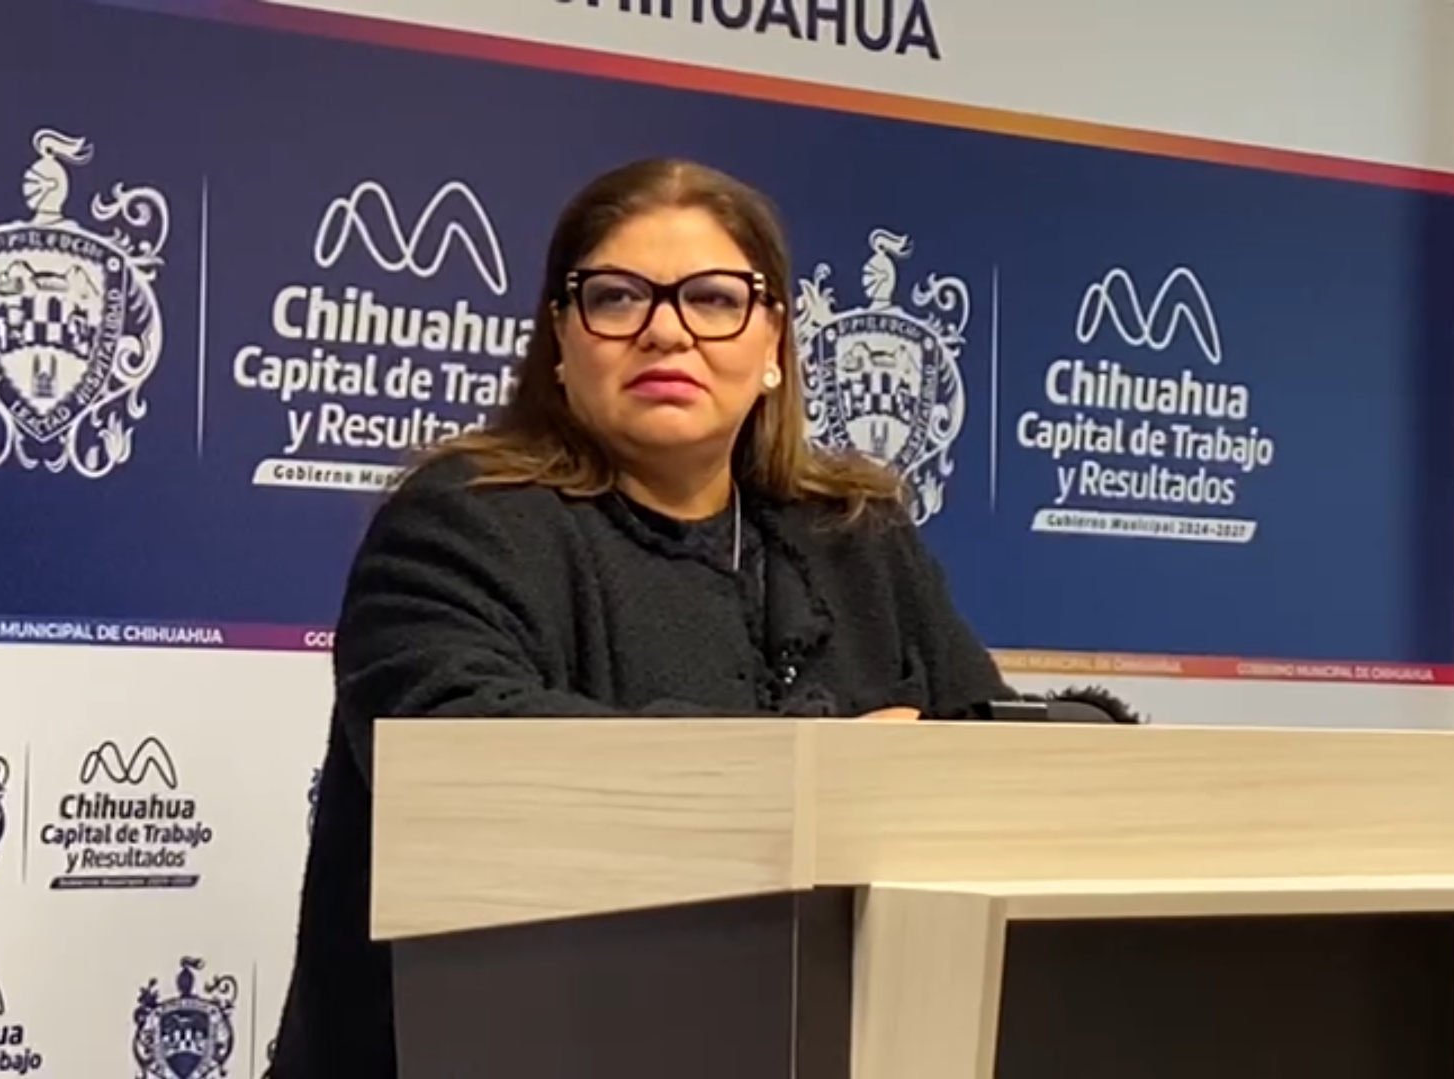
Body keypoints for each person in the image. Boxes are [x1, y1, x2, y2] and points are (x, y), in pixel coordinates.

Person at [266, 157, 1014, 1078]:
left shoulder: (857, 537)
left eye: (714, 299)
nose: (666, 330)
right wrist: (830, 773)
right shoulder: (461, 518)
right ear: (561, 337)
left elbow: (1001, 751)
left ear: (774, 343)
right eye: (617, 298)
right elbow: (458, 750)